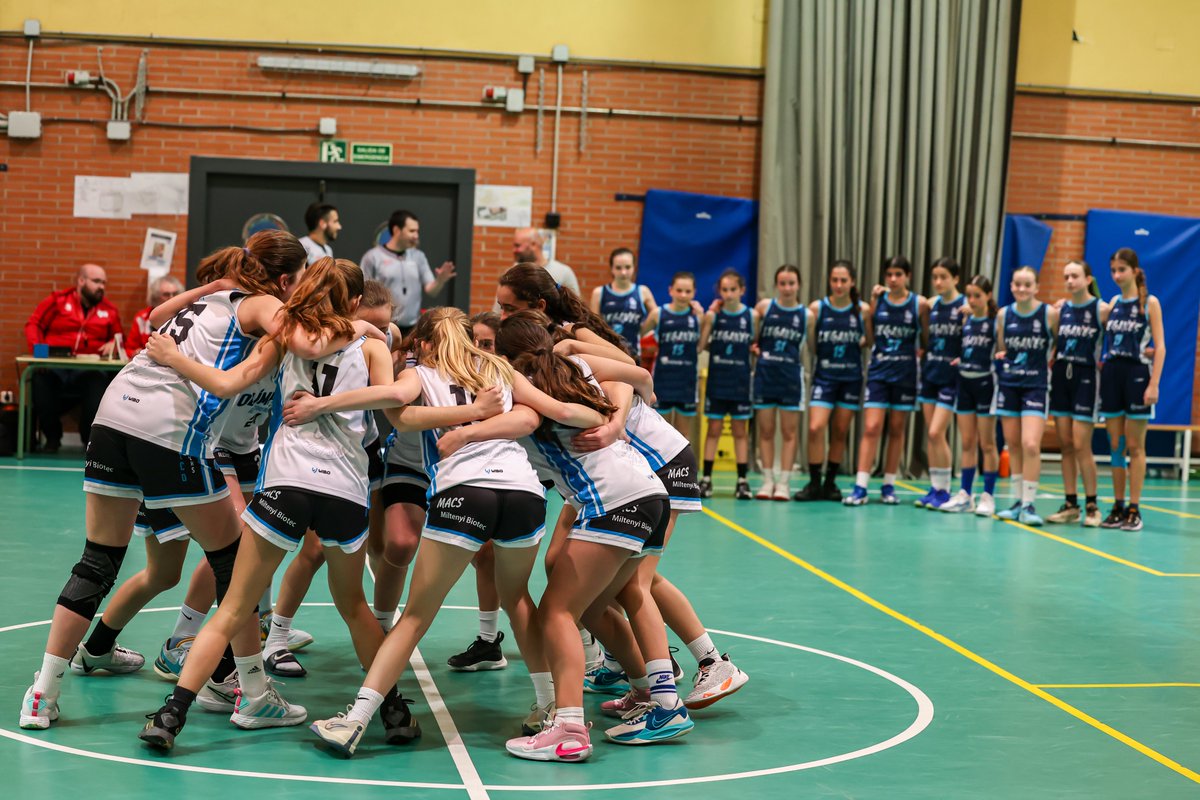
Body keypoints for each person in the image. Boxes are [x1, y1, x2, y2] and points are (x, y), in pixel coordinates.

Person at [17, 231, 326, 732]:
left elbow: (158, 316)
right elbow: (304, 340)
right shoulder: (264, 303)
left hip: (113, 415)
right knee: (235, 565)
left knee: (97, 561)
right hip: (166, 426)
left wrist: (215, 285)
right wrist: (360, 331)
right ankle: (249, 692)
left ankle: (42, 693)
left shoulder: (209, 301)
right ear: (287, 279)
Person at [294, 307, 607, 758]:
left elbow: (399, 414)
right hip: (523, 492)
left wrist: (323, 403)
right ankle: (549, 707)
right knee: (518, 598)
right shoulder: (499, 368)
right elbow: (540, 415)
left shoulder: (420, 372)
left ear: (424, 343)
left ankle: (355, 720)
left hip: (465, 490)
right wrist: (608, 421)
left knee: (416, 615)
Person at [136, 257, 411, 751]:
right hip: (345, 489)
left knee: (234, 606)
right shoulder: (373, 344)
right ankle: (392, 710)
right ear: (354, 301)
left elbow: (227, 383)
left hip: (287, 481)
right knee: (354, 605)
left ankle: (170, 716)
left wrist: (175, 357)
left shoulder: (285, 335)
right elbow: (393, 400)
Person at [844, 256, 926, 506]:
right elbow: (869, 339)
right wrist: (871, 305)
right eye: (889, 274)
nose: (893, 279)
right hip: (879, 372)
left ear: (908, 276)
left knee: (897, 428)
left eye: (898, 274)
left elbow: (926, 341)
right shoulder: (877, 301)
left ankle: (889, 485)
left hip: (905, 374)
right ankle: (860, 486)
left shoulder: (919, 304)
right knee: (871, 427)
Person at [1099, 248, 1166, 532]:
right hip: (1112, 374)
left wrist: (1154, 383)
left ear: (1135, 271)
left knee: (1136, 446)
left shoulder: (1150, 303)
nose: (1116, 275)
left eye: (1122, 270)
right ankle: (1117, 506)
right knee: (1116, 445)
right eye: (1113, 270)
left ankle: (1134, 509)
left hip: (1137, 375)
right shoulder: (1114, 303)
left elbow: (1160, 347)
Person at [24, 263, 125, 451]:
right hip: (55, 366)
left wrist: (113, 343)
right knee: (39, 380)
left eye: (104, 283)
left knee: (98, 384)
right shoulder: (57, 300)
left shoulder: (110, 310)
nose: (101, 287)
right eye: (96, 281)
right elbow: (34, 324)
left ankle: (89, 440)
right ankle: (52, 438)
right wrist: (39, 352)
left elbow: (119, 337)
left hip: (89, 369)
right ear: (81, 281)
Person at [796, 260, 866, 502]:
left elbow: (868, 340)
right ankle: (814, 482)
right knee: (815, 427)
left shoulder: (862, 310)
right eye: (834, 280)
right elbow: (812, 344)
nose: (838, 285)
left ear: (852, 282)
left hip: (850, 378)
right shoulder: (818, 308)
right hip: (824, 377)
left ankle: (830, 483)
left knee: (840, 430)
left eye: (843, 280)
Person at [994, 266, 1059, 526]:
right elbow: (1002, 347)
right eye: (1017, 284)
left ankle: (1030, 504)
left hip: (1036, 385)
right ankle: (1018, 501)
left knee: (1030, 444)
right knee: (1013, 444)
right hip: (1009, 384)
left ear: (1036, 287)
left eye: (1027, 284)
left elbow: (1057, 344)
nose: (1022, 289)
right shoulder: (1003, 315)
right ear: (1011, 286)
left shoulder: (1048, 314)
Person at [1047, 261, 1108, 527]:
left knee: (1082, 444)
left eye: (1075, 276)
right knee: (1066, 444)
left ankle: (1092, 505)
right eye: (1066, 277)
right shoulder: (1060, 310)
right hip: (1062, 376)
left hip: (1086, 378)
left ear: (1088, 279)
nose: (1070, 281)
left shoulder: (1101, 309)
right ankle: (1071, 504)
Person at [939, 276, 1000, 515]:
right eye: (969, 296)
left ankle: (988, 496)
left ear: (988, 296)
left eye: (977, 295)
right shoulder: (965, 320)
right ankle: (965, 495)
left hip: (986, 384)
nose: (972, 300)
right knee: (966, 442)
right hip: (964, 383)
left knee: (987, 443)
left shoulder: (996, 321)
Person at [752, 265, 810, 500]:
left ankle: (784, 483)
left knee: (789, 432)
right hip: (765, 376)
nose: (787, 288)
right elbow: (753, 339)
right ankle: (767, 481)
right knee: (766, 431)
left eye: (791, 283)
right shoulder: (764, 308)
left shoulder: (807, 315)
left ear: (799, 285)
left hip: (790, 379)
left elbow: (813, 348)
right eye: (783, 283)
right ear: (776, 285)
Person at [699, 269, 758, 500]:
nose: (729, 294)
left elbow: (755, 343)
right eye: (724, 290)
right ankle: (706, 479)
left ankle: (742, 481)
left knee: (740, 431)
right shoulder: (715, 316)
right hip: (718, 380)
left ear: (742, 290)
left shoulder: (751, 316)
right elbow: (701, 345)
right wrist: (708, 316)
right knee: (713, 429)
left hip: (740, 382)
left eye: (733, 289)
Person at [914, 258, 966, 510]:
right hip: (930, 373)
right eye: (935, 277)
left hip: (951, 377)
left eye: (943, 277)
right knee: (931, 435)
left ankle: (944, 489)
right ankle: (935, 488)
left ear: (955, 278)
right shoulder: (931, 305)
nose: (938, 282)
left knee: (937, 432)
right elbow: (926, 335)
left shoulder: (964, 305)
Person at [361, 209, 456, 334]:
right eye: (412, 231)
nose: (416, 236)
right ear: (396, 230)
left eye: (417, 231)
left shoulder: (418, 256)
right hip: (383, 327)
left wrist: (440, 280)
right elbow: (363, 292)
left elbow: (432, 291)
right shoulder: (372, 257)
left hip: (413, 328)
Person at [643, 272, 703, 446]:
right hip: (663, 379)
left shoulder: (698, 316)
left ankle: (682, 464)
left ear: (694, 293)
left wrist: (702, 317)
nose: (683, 295)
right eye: (679, 290)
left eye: (688, 291)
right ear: (670, 290)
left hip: (687, 381)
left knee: (683, 434)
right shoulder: (658, 314)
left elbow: (700, 347)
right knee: (661, 431)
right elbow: (638, 336)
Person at [590, 247, 656, 358]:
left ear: (634, 267)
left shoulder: (643, 292)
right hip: (607, 355)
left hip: (633, 354)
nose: (623, 272)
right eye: (618, 268)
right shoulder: (599, 293)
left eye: (627, 267)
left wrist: (642, 332)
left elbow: (658, 317)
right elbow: (593, 327)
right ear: (611, 269)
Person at [512, 227, 580, 297]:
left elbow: (575, 302)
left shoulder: (563, 272)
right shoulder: (513, 272)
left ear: (533, 244)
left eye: (517, 246)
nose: (514, 250)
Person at [126, 276, 184, 356]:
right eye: (166, 294)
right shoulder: (142, 318)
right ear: (155, 297)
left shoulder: (185, 316)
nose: (172, 297)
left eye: (175, 294)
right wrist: (136, 353)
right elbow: (129, 349)